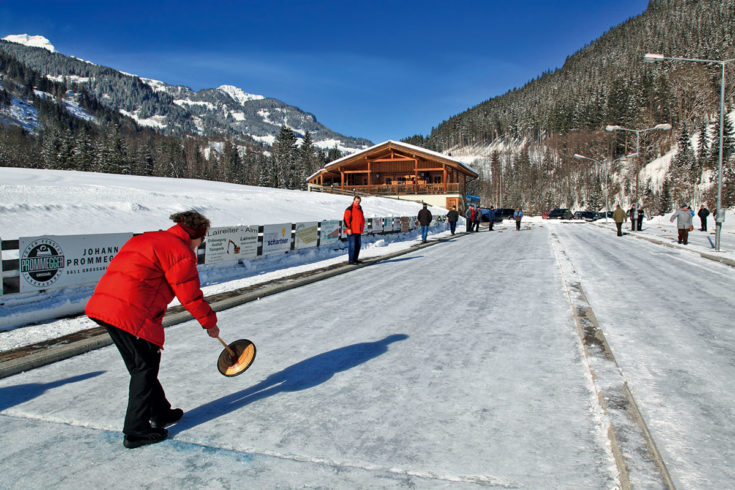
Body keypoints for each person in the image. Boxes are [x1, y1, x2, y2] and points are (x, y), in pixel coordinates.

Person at [85, 210, 220, 449]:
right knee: (144, 367)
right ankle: (136, 431)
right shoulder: (179, 251)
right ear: (196, 235)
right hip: (130, 312)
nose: (201, 244)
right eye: (202, 239)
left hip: (105, 305)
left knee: (141, 364)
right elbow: (189, 295)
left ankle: (161, 412)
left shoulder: (147, 238)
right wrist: (209, 322)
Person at [344, 195, 365, 264]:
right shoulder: (349, 209)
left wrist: (362, 228)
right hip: (351, 231)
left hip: (358, 231)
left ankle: (355, 259)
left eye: (359, 202)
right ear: (353, 200)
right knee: (352, 246)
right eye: (356, 201)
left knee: (358, 246)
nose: (357, 203)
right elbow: (346, 220)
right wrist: (348, 228)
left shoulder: (360, 209)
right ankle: (351, 260)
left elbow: (362, 219)